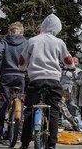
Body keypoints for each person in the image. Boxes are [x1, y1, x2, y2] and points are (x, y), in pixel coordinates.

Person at [18, 13, 75, 149]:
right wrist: (72, 67)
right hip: (53, 80)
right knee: (54, 111)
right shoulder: (59, 42)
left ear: (43, 26)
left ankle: (24, 144)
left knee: (29, 110)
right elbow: (67, 60)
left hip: (36, 79)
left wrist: (22, 68)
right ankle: (52, 144)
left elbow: (22, 60)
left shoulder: (32, 40)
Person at [0, 21, 28, 141]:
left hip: (6, 75)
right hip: (20, 76)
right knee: (20, 101)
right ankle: (19, 129)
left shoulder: (5, 41)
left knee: (3, 103)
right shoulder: (25, 42)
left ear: (10, 31)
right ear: (21, 31)